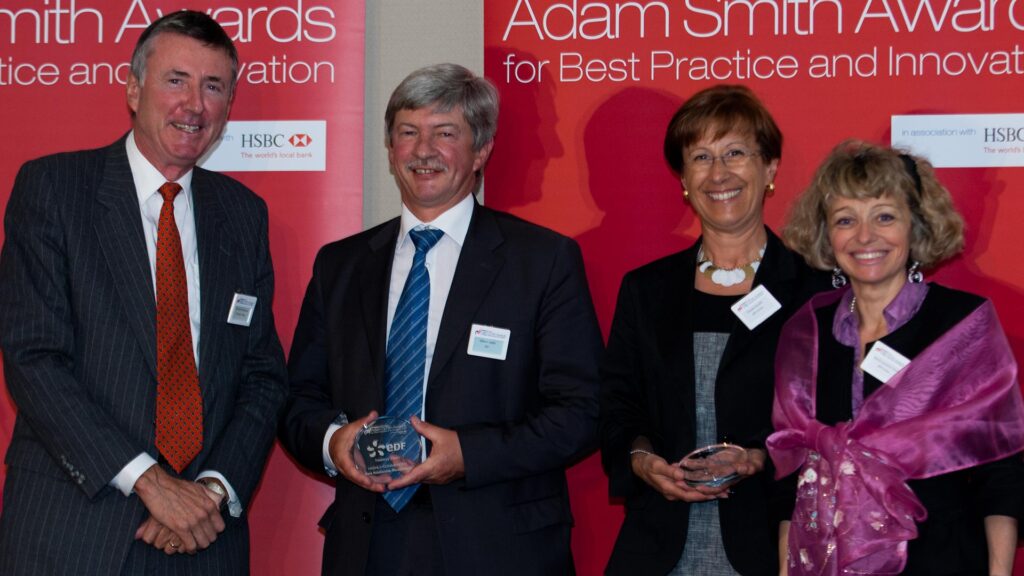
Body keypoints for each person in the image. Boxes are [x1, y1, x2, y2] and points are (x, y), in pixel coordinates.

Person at [279, 63, 602, 576]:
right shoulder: (340, 265)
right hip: (367, 544)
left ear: (481, 151)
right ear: (390, 150)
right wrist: (333, 442)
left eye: (445, 133)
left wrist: (468, 454)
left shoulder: (541, 261)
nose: (423, 150)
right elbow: (298, 400)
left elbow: (582, 412)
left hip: (498, 545)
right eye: (408, 133)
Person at [0, 11, 287, 575]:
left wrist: (208, 490)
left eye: (214, 87)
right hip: (74, 532)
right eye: (175, 80)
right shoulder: (55, 189)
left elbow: (261, 375)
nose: (195, 105)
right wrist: (152, 483)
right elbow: (33, 357)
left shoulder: (243, 215)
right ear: (134, 89)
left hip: (206, 539)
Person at [599, 85, 828, 575]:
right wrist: (641, 460)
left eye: (736, 153)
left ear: (769, 169)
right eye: (701, 157)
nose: (719, 173)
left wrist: (757, 456)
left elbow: (833, 420)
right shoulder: (646, 290)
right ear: (682, 178)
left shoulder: (817, 290)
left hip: (773, 544)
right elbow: (616, 405)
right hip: (657, 548)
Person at [769, 140, 1024, 575]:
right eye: (846, 220)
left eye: (884, 217)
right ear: (826, 234)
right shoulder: (805, 331)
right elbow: (791, 474)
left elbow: (1002, 472)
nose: (865, 237)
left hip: (942, 561)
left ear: (917, 226)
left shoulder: (964, 325)